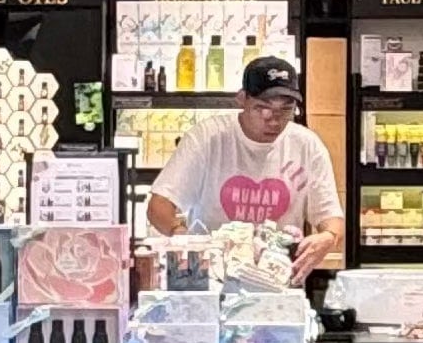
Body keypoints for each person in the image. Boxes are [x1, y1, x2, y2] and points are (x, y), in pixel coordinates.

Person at [144, 53, 346, 274]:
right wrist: (184, 238)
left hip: (277, 278)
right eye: (262, 108)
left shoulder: (306, 145)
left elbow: (331, 218)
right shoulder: (208, 137)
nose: (274, 119)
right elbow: (158, 206)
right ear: (242, 99)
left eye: (285, 109)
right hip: (210, 277)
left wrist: (328, 238)